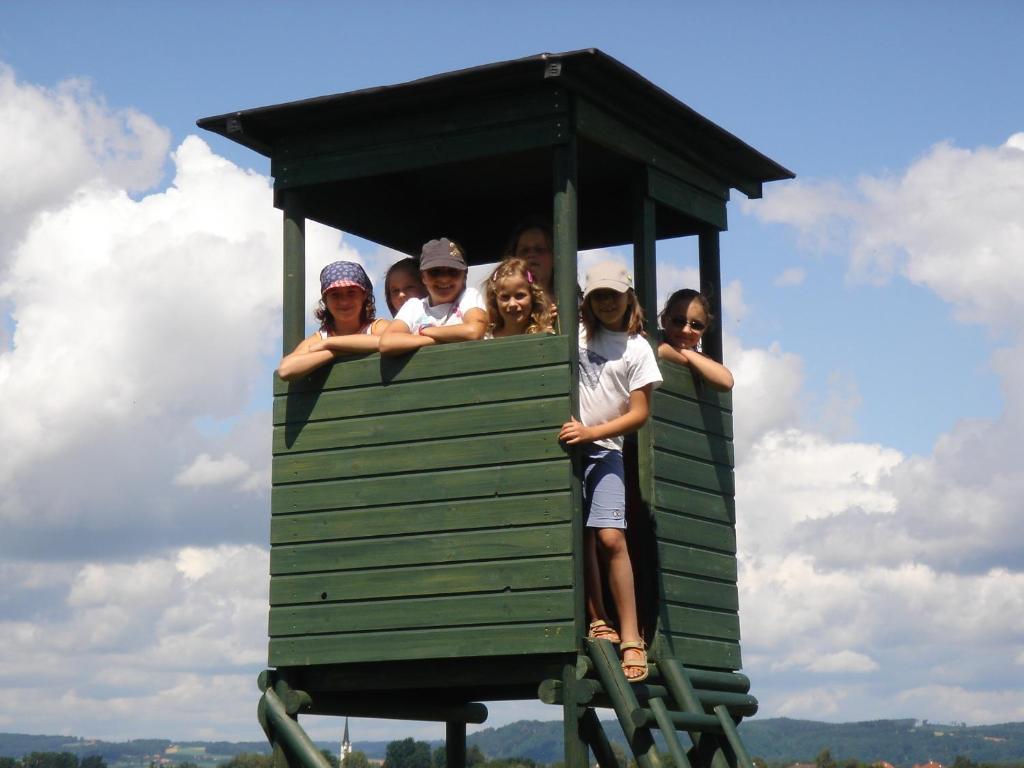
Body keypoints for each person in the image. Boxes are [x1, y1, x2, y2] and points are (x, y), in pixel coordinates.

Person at [558, 261, 662, 683]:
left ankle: (632, 637)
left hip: (604, 450)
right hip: (570, 446)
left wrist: (593, 433)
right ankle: (597, 618)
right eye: (597, 295)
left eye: (612, 295)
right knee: (579, 534)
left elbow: (639, 413)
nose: (605, 303)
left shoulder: (636, 349)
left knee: (610, 536)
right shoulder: (579, 335)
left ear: (628, 297)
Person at [276, 261, 389, 381]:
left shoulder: (376, 327)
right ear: (325, 300)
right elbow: (285, 369)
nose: (344, 302)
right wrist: (334, 351)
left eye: (351, 293)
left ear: (364, 295)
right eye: (335, 295)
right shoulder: (321, 338)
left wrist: (329, 343)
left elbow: (389, 341)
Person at [379, 237, 487, 356]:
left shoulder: (468, 296)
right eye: (435, 272)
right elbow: (387, 343)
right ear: (423, 277)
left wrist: (425, 331)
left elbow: (474, 331)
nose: (444, 279)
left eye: (453, 271)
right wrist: (437, 339)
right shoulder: (414, 306)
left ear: (465, 274)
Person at [657, 289, 734, 391]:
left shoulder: (695, 355)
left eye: (696, 325)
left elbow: (726, 381)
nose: (686, 330)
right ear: (663, 320)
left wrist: (683, 352)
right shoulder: (654, 338)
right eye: (679, 321)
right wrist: (690, 362)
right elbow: (660, 350)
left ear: (704, 330)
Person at [483, 257, 554, 338]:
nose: (512, 304)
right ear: (495, 300)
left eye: (520, 296)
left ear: (533, 297)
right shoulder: (486, 338)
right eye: (505, 297)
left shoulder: (543, 335)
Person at [504, 217, 557, 317]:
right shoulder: (503, 308)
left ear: (554, 258)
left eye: (539, 250)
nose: (531, 255)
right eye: (524, 250)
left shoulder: (571, 303)